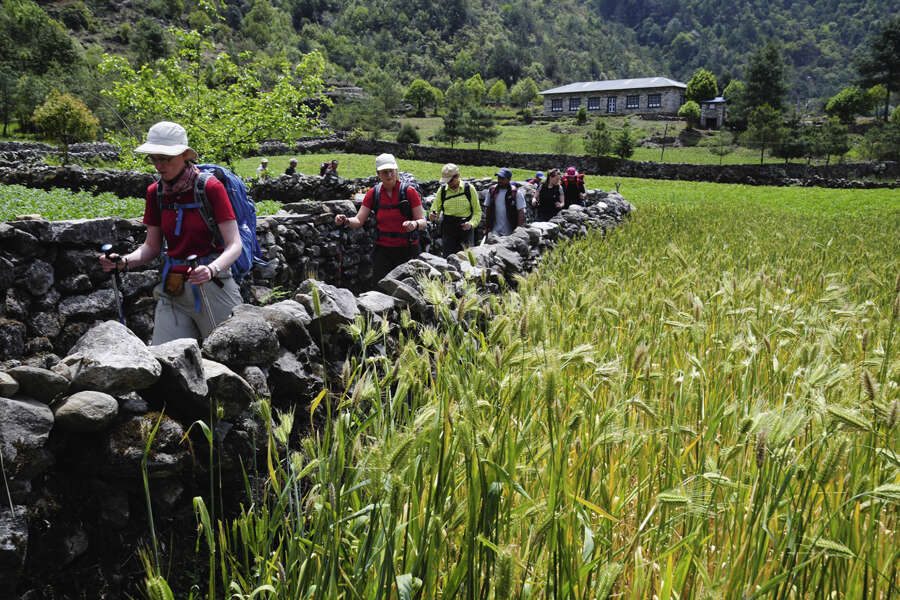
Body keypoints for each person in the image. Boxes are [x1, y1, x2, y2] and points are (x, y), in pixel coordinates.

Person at [98, 121, 243, 344]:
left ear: (185, 155)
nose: (159, 165)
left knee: (229, 358)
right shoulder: (155, 193)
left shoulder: (210, 188)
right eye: (154, 158)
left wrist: (211, 269)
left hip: (213, 285)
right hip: (173, 286)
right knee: (167, 361)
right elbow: (151, 247)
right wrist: (123, 262)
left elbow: (235, 244)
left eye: (165, 158)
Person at [334, 153, 426, 281]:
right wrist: (346, 220)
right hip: (383, 250)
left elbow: (422, 221)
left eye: (391, 171)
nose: (389, 175)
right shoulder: (373, 193)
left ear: (396, 171)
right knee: (382, 289)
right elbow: (359, 220)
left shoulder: (409, 192)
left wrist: (414, 224)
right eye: (384, 172)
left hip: (408, 249)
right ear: (378, 174)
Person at [429, 163, 481, 257]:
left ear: (457, 176)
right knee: (448, 259)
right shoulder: (442, 191)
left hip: (466, 229)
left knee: (467, 259)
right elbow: (434, 209)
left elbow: (477, 212)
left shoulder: (469, 189)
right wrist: (433, 215)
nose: (448, 183)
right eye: (447, 181)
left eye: (450, 180)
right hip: (448, 230)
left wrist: (471, 224)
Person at [484, 167, 525, 236]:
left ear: (509, 179)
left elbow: (521, 212)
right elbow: (488, 209)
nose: (499, 180)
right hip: (494, 231)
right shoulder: (492, 191)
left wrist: (518, 231)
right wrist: (487, 226)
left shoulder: (515, 193)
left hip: (510, 232)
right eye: (498, 178)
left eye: (502, 178)